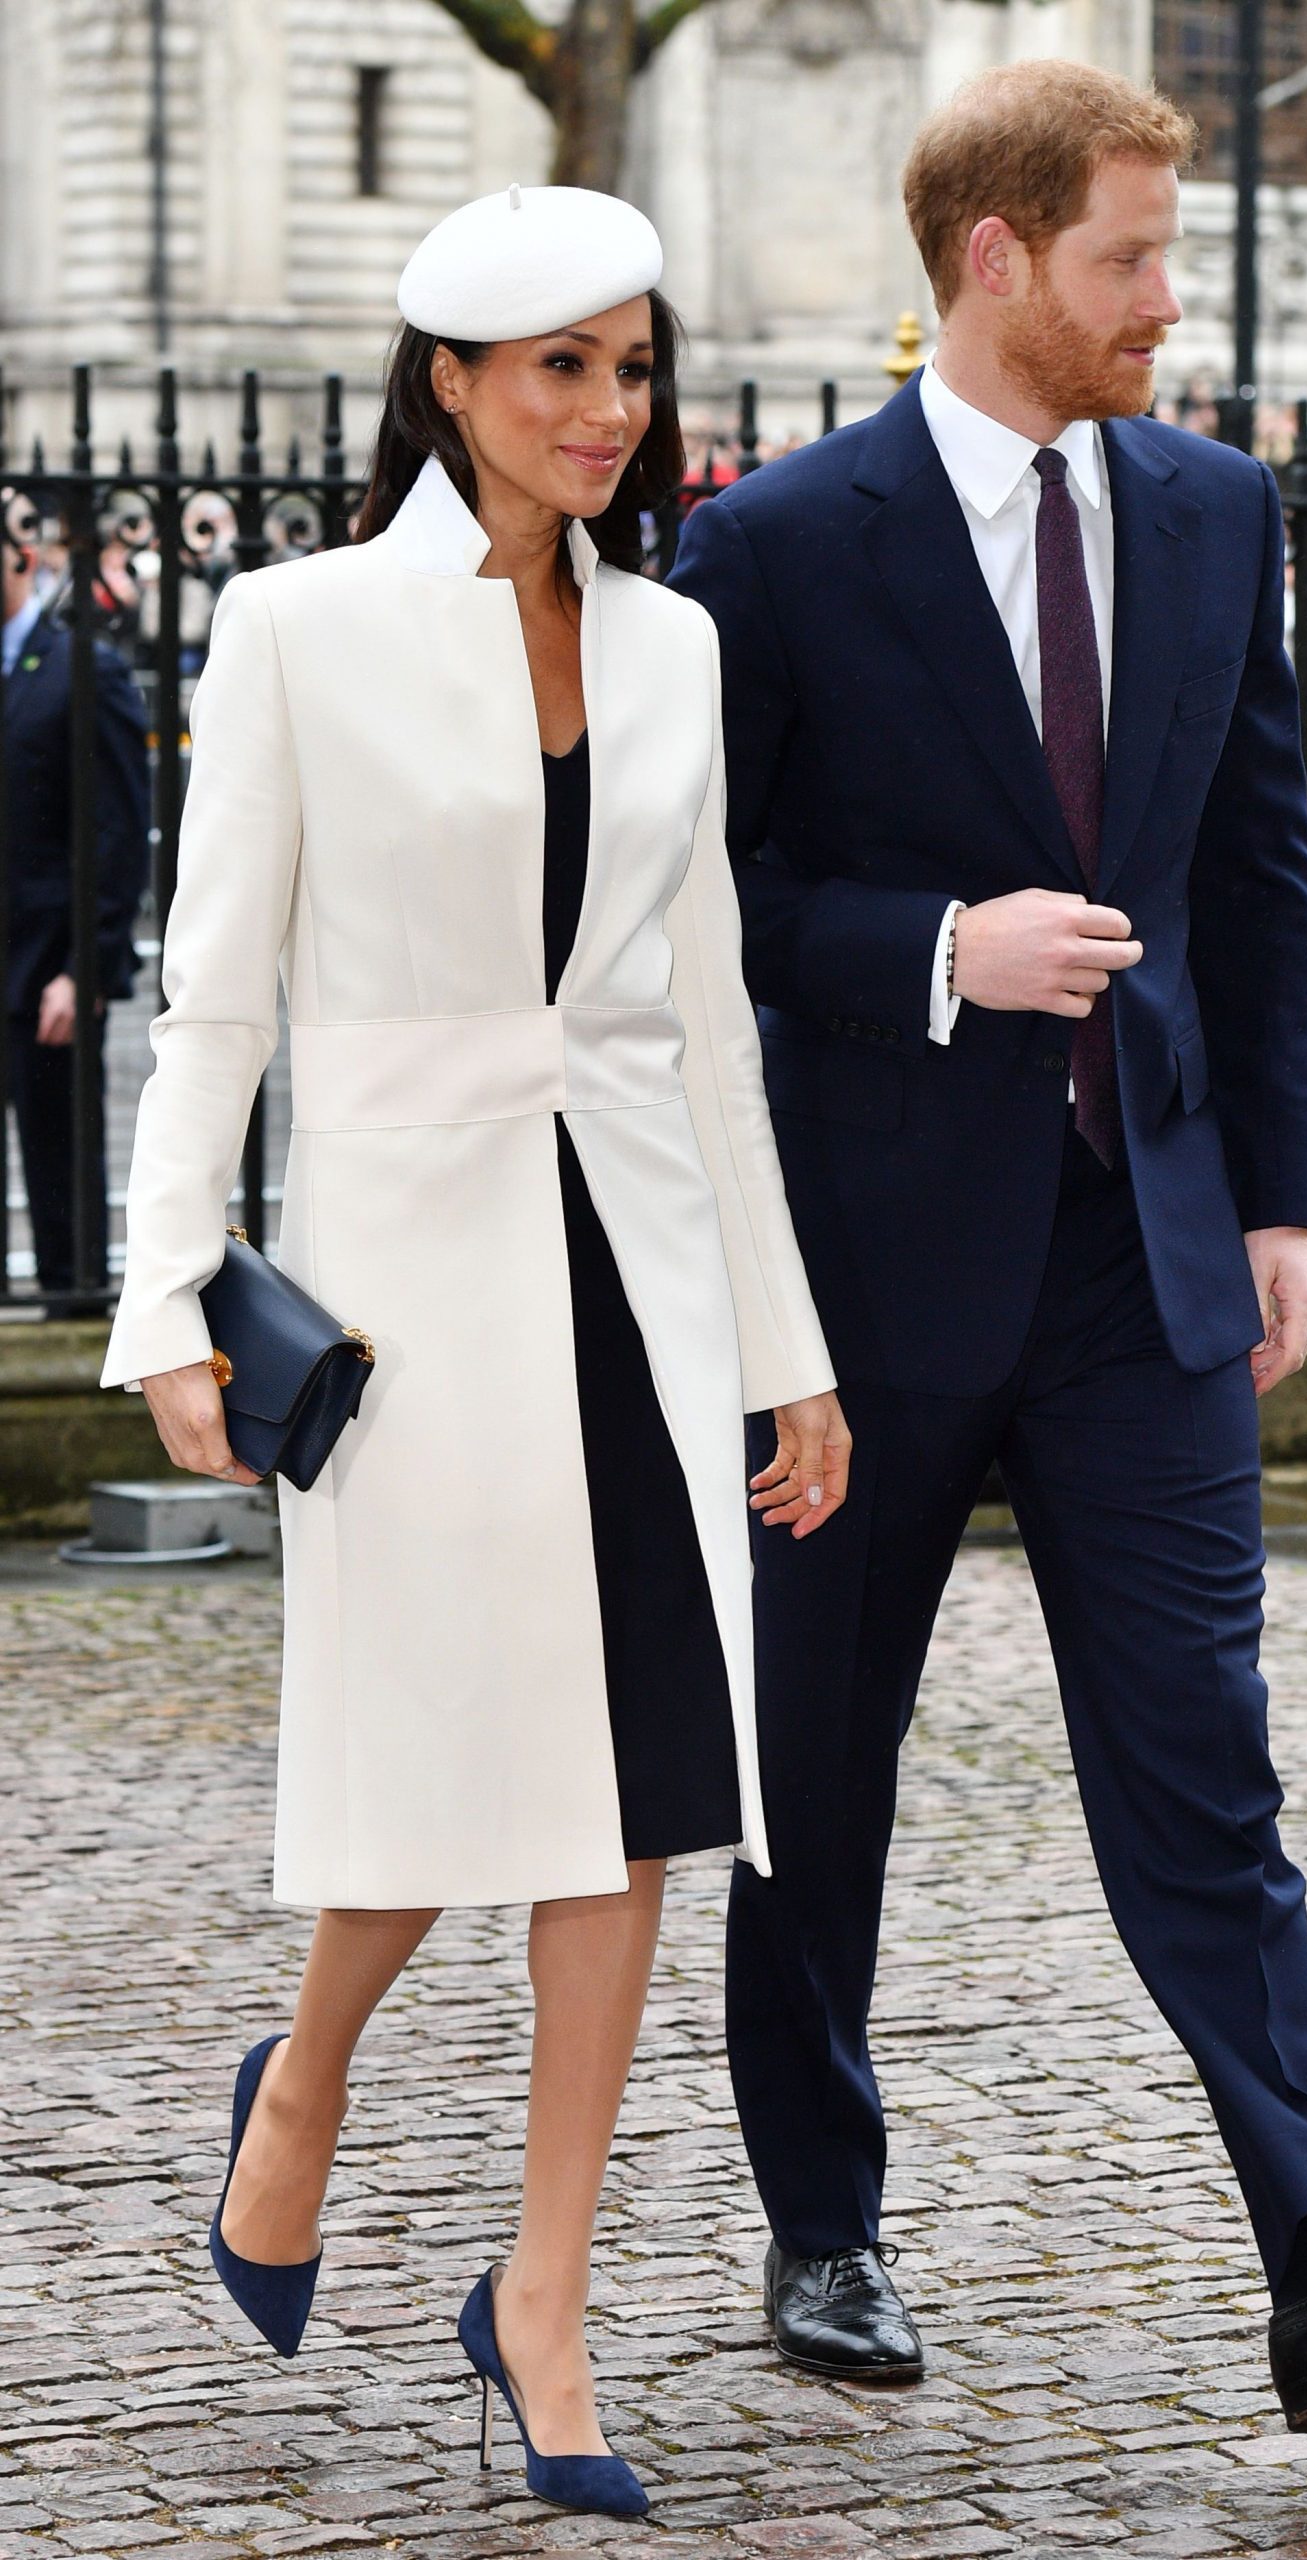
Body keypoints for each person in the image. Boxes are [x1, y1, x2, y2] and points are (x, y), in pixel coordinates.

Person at [670, 58, 1307, 2434]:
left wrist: (1275, 1192)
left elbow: (1260, 866)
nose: (1163, 309)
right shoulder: (778, 544)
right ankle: (824, 2215)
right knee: (824, 1764)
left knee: (1203, 1765)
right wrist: (927, 946)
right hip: (858, 1286)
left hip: (1146, 1260)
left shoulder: (1212, 508)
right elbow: (691, 920)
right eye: (1125, 260)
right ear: (994, 260)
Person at [101, 185, 847, 2520]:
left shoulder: (675, 650)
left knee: (637, 1790)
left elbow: (705, 1017)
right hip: (413, 1294)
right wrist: (161, 1290)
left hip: (639, 1283)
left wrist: (788, 1348)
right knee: (439, 1769)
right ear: (446, 378)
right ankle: (303, 2084)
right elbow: (214, 986)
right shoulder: (297, 627)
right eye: (559, 369)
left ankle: (544, 2294)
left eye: (633, 367)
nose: (609, 412)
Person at [1, 489, 150, 1310]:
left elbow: (121, 832)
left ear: (20, 556)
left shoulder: (82, 668)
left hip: (45, 976)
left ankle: (76, 1323)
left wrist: (84, 969)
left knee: (64, 1185)